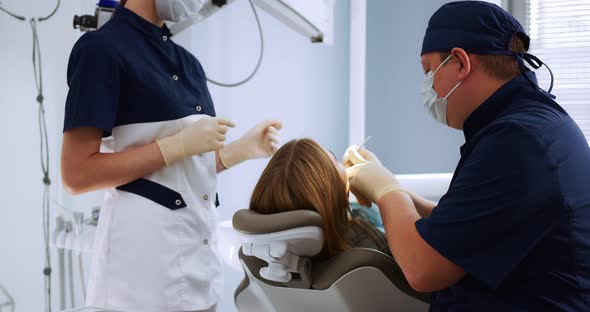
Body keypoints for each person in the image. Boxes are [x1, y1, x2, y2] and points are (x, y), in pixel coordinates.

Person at [344, 1, 590, 311]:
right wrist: (396, 192)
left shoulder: (518, 141)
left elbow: (423, 269)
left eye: (429, 70)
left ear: (460, 62)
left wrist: (387, 192)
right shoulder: (529, 127)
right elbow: (467, 229)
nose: (427, 85)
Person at [60, 0, 281, 311]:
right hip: (140, 282)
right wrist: (173, 146)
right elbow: (76, 174)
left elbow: (184, 170)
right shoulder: (101, 50)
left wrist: (239, 151)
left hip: (199, 272)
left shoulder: (189, 65)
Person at [249, 138, 430, 303]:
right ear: (333, 191)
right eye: (334, 161)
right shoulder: (364, 243)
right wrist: (388, 190)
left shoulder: (274, 259)